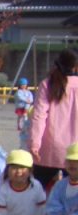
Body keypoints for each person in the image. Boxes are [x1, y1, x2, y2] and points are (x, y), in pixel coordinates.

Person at [29, 49, 78, 194]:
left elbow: (39, 116)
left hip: (49, 147)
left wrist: (34, 142)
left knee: (36, 190)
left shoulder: (48, 84)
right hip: (75, 150)